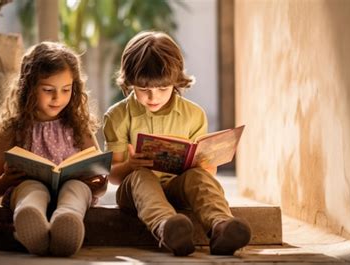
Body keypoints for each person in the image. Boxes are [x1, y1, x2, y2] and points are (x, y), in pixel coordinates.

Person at [103, 31, 251, 256]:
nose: (153, 97)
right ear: (130, 83)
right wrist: (130, 166)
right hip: (134, 192)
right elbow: (113, 176)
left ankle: (221, 226)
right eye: (143, 89)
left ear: (176, 82)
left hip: (177, 187)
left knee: (198, 177)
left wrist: (202, 165)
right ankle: (168, 228)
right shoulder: (117, 116)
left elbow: (207, 172)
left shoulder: (194, 115)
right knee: (142, 176)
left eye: (163, 88)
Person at [0, 41, 107, 256]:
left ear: (75, 89)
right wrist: (4, 181)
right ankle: (30, 219)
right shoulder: (15, 129)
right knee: (31, 189)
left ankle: (66, 221)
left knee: (76, 189)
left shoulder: (78, 126)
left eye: (66, 90)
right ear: (28, 87)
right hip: (27, 188)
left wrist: (98, 185)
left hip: (73, 189)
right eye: (48, 90)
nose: (57, 98)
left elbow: (97, 174)